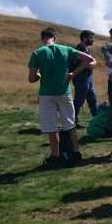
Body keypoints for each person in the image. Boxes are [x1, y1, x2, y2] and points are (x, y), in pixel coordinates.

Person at [27, 27, 96, 166]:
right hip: (65, 92)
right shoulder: (66, 49)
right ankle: (76, 152)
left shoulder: (37, 53)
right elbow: (90, 60)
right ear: (55, 37)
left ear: (42, 38)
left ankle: (55, 155)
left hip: (47, 94)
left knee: (51, 127)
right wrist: (73, 74)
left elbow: (31, 78)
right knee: (70, 124)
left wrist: (40, 75)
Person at [72, 30, 98, 125]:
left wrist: (92, 63)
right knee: (79, 100)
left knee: (92, 99)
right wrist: (93, 63)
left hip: (87, 78)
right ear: (84, 38)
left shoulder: (86, 49)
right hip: (81, 79)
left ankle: (97, 120)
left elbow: (90, 63)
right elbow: (87, 64)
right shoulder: (80, 49)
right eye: (91, 37)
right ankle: (73, 121)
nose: (93, 40)